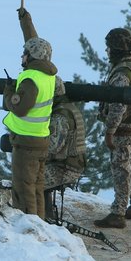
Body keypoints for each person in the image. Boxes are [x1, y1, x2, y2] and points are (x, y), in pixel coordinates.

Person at [2, 8, 58, 219]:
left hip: (26, 142)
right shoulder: (48, 75)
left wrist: (9, 91)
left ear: (31, 56)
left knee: (23, 188)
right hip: (40, 139)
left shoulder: (30, 79)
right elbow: (34, 41)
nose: (21, 56)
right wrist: (26, 21)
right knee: (36, 188)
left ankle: (28, 229)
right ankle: (39, 223)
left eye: (24, 53)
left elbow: (19, 107)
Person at [94, 28, 131, 229]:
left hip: (123, 130)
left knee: (121, 170)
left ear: (115, 48)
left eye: (109, 47)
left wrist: (110, 130)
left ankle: (118, 213)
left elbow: (117, 105)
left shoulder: (122, 72)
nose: (107, 51)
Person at [44, 76, 87, 220]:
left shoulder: (60, 115)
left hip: (65, 167)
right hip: (70, 163)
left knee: (29, 180)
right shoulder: (68, 107)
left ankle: (41, 218)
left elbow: (53, 146)